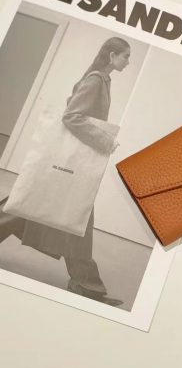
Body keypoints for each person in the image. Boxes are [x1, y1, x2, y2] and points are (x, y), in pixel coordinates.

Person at [0, 37, 131, 306]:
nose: (128, 62)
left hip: (68, 165)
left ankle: (84, 283)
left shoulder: (102, 79)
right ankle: (85, 284)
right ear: (111, 56)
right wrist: (105, 140)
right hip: (67, 165)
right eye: (125, 56)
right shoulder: (96, 80)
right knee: (52, 213)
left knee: (47, 212)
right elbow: (71, 116)